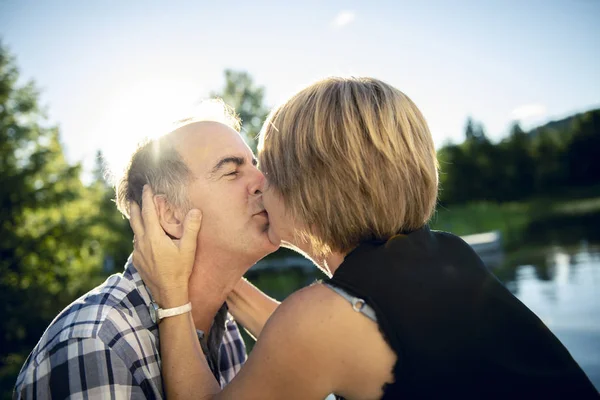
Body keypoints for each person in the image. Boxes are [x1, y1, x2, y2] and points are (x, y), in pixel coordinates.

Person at [130, 77, 599, 399]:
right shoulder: (446, 256)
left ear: (311, 184)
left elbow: (309, 339)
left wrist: (173, 298)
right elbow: (320, 343)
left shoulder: (321, 321)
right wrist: (212, 270)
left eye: (266, 165)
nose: (258, 181)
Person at [13, 101, 279, 399]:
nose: (263, 182)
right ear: (169, 214)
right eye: (232, 171)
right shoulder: (97, 341)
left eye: (254, 165)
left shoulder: (224, 330)